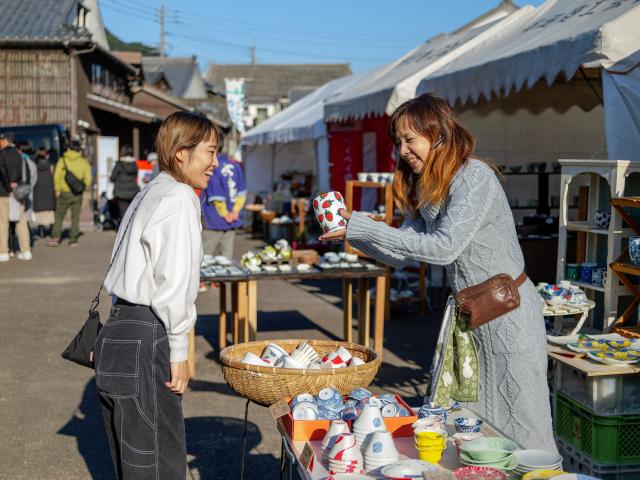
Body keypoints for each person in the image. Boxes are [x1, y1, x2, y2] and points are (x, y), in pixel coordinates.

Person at [322, 93, 557, 452]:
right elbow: (401, 250)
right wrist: (351, 234)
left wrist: (363, 226)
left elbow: (444, 246)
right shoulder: (428, 185)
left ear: (439, 135)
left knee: (526, 427)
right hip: (470, 318)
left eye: (409, 139)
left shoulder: (473, 177)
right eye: (397, 141)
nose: (402, 149)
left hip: (509, 317)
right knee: (472, 432)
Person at [97, 111, 218, 479]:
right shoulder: (180, 196)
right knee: (157, 460)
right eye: (210, 151)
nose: (215, 163)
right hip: (146, 334)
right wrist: (180, 349)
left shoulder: (150, 190)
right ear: (182, 152)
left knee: (132, 459)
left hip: (116, 330)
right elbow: (175, 282)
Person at [200, 152, 246, 260]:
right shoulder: (236, 166)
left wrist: (225, 214)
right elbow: (242, 193)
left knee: (206, 257)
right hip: (232, 219)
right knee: (226, 258)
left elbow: (216, 195)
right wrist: (235, 212)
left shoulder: (214, 167)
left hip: (214, 219)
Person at [48, 137, 91, 246]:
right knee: (75, 216)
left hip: (64, 192)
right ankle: (73, 239)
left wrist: (57, 190)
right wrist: (83, 188)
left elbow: (56, 176)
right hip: (77, 193)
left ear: (69, 148)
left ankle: (56, 237)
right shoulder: (84, 162)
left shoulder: (62, 160)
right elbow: (88, 179)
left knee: (59, 215)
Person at [0, 132, 31, 261]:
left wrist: (8, 187)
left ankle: (4, 252)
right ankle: (26, 251)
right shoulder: (20, 156)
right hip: (19, 194)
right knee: (21, 222)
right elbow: (27, 174)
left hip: (3, 193)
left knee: (3, 223)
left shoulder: (1, 154)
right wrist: (18, 187)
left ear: (5, 140)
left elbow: (1, 172)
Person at [110, 145, 139, 225]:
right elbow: (136, 176)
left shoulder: (119, 164)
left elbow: (113, 177)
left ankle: (124, 230)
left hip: (121, 192)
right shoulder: (134, 164)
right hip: (133, 191)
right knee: (132, 212)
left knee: (123, 213)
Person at [32, 147, 56, 239]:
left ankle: (40, 230)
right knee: (50, 212)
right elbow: (53, 176)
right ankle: (50, 230)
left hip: (38, 190)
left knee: (39, 212)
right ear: (46, 154)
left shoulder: (35, 164)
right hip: (49, 190)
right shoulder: (50, 164)